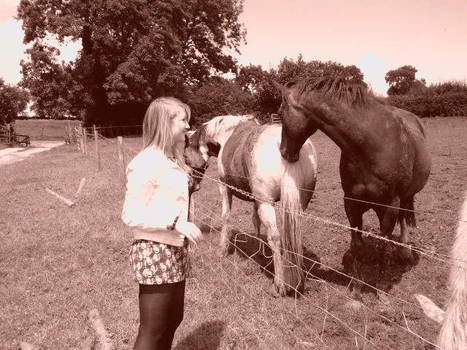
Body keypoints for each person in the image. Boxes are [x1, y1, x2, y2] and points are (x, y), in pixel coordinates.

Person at [121, 97, 203, 350]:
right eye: (182, 119)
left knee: (172, 321)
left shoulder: (171, 160)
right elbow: (131, 214)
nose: (188, 125)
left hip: (174, 249)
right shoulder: (146, 162)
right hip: (155, 251)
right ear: (164, 124)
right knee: (152, 330)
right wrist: (174, 223)